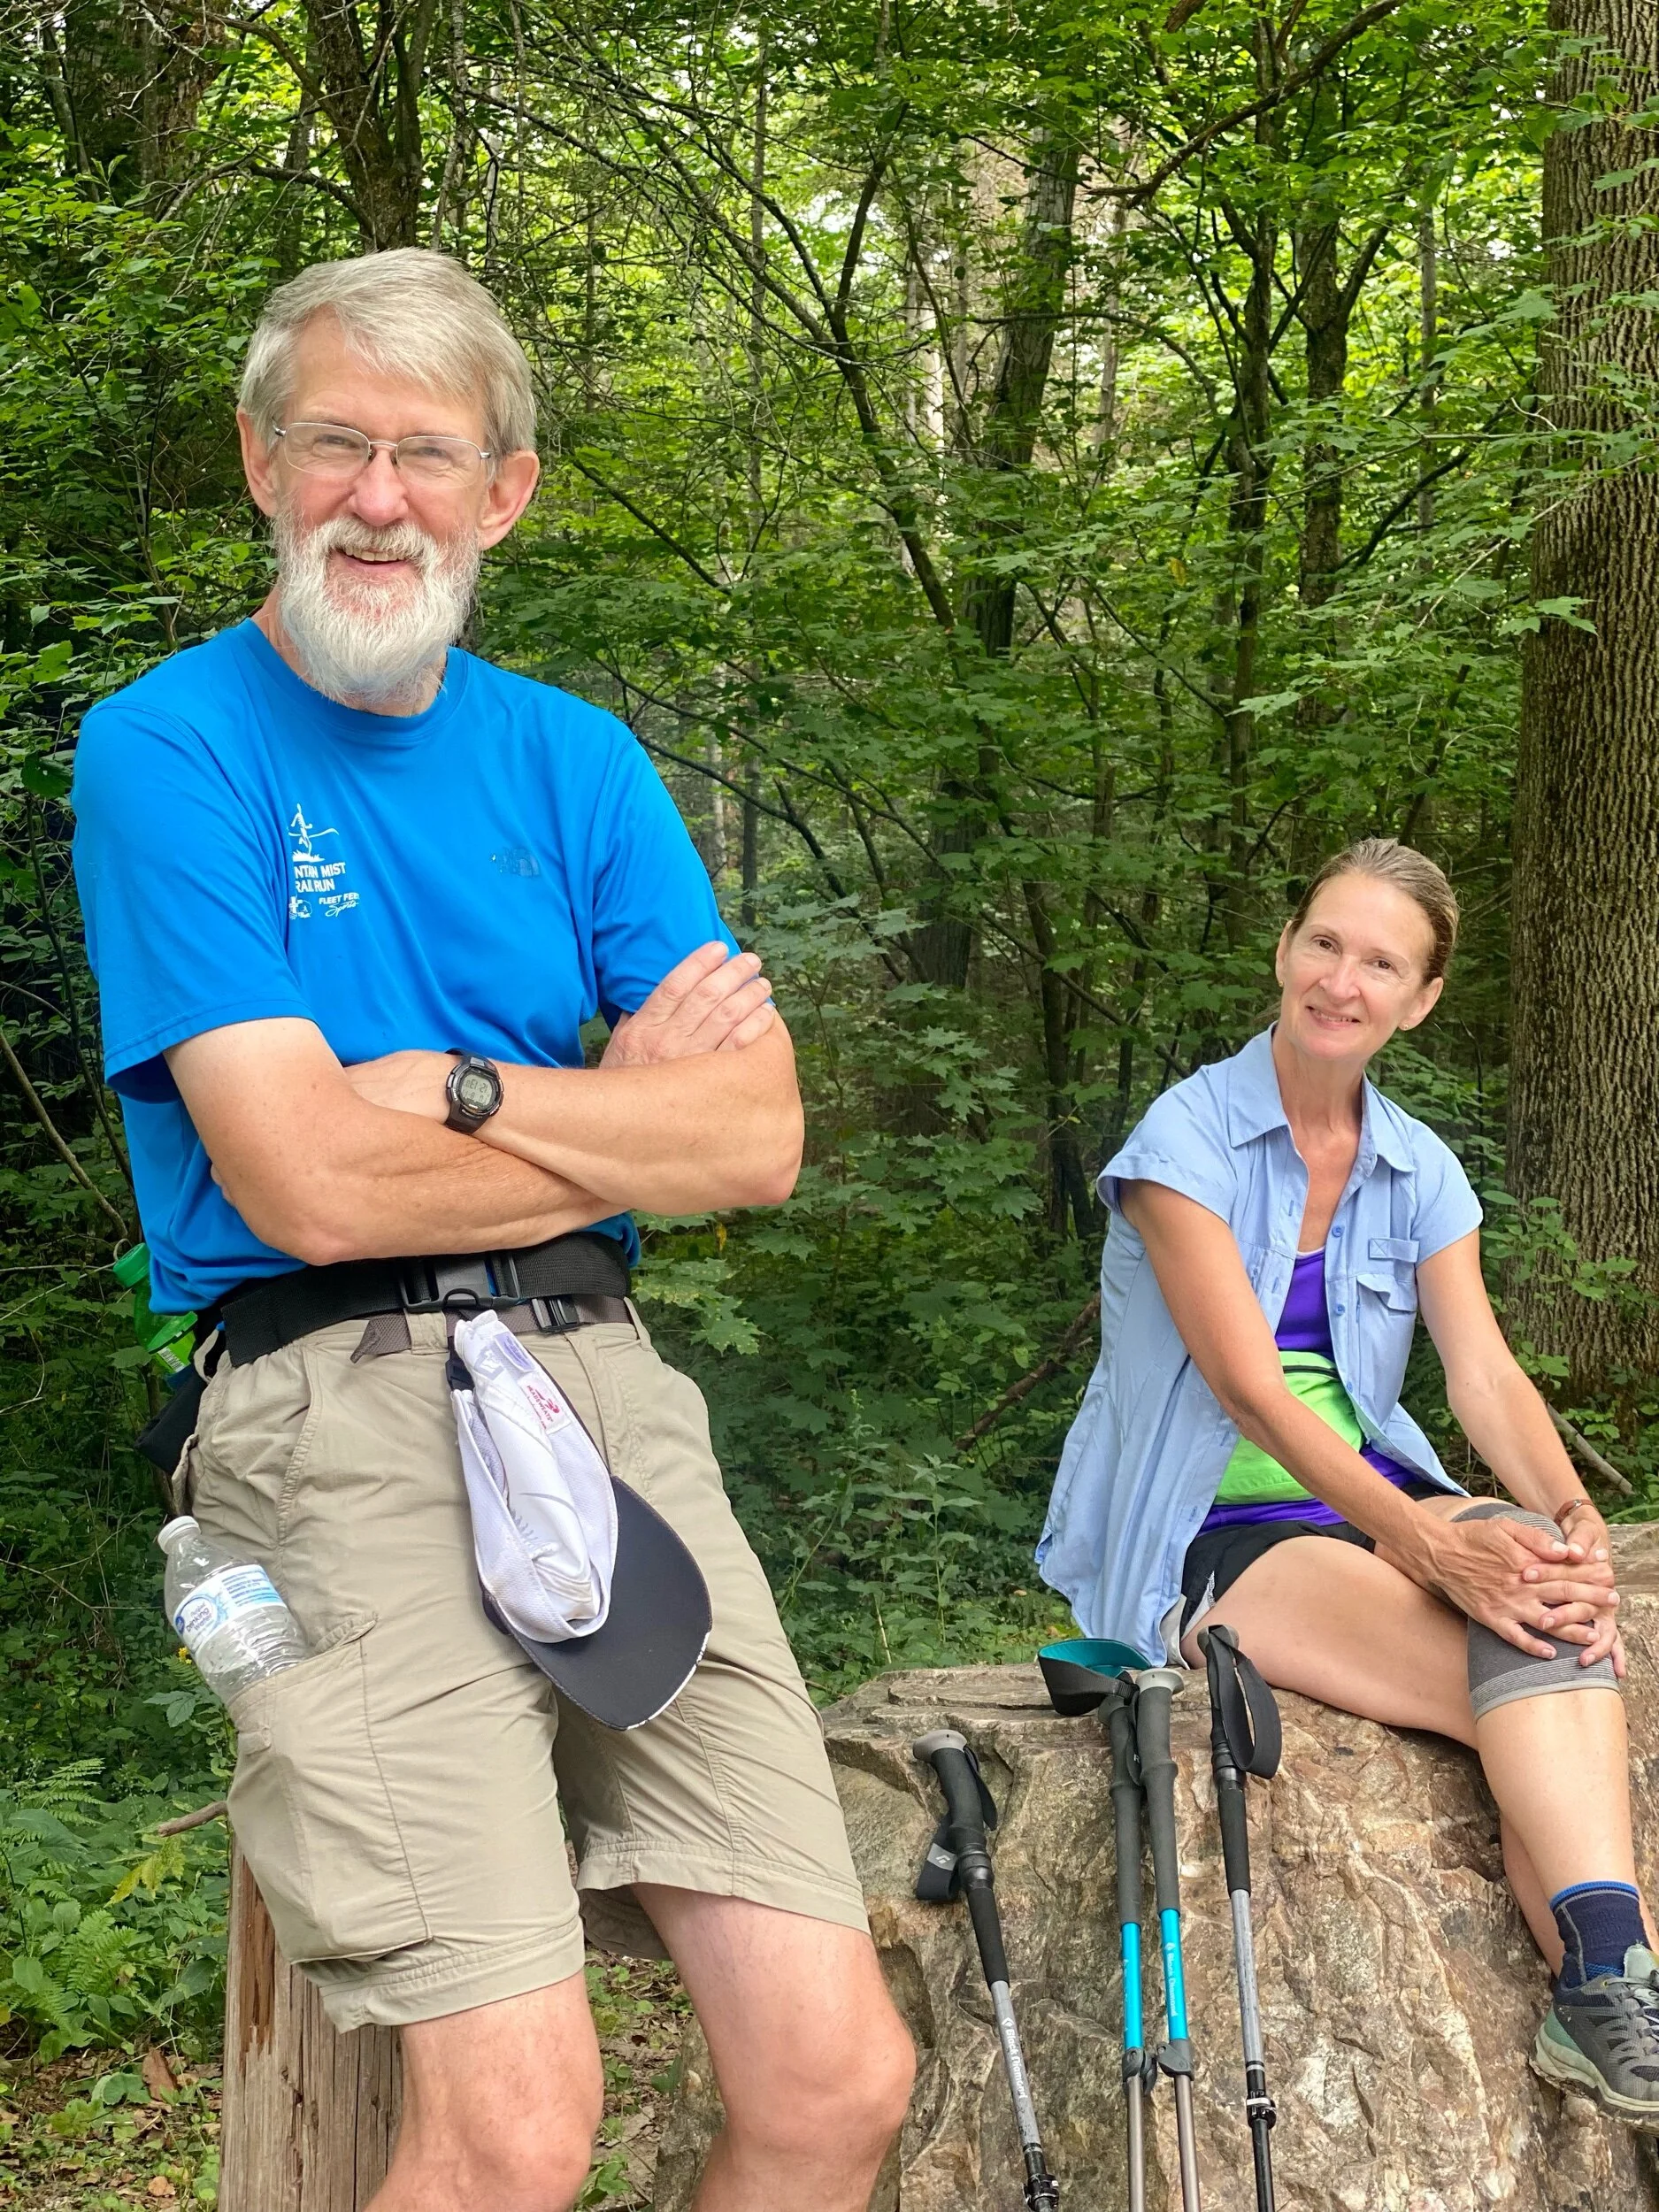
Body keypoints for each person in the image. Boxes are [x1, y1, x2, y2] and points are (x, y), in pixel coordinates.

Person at [72, 249, 913, 2212]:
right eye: (338, 444)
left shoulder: (576, 759)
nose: (381, 498)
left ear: (504, 491)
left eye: (429, 454)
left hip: (605, 1390)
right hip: (329, 1404)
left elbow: (761, 1136)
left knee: (834, 2079)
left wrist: (442, 1088)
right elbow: (302, 1186)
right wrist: (625, 1117)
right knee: (514, 2131)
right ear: (261, 463)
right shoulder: (170, 747)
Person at [1038, 839, 1659, 2126]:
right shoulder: (1184, 1140)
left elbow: (1481, 1376)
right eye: (1324, 942)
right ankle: (1609, 1980)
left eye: (1380, 962)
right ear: (1284, 951)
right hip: (1216, 1527)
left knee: (1550, 1596)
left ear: (1417, 1001)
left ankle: (1610, 1989)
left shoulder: (1418, 1165)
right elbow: (1249, 1392)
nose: (1341, 979)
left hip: (1374, 1493)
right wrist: (1429, 1551)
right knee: (1534, 1651)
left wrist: (1570, 1518)